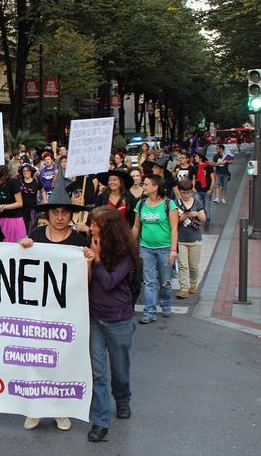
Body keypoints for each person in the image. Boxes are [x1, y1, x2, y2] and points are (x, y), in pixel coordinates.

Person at [19, 180, 94, 431]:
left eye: (64, 213)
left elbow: (86, 282)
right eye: (55, 212)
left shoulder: (78, 241)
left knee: (62, 360)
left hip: (66, 310)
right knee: (37, 358)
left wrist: (89, 262)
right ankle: (36, 409)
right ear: (48, 214)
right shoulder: (37, 236)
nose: (60, 217)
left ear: (71, 215)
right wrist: (24, 247)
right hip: (38, 309)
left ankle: (61, 410)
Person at [86, 206, 139, 442]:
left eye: (95, 224)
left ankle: (123, 398)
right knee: (98, 373)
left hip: (119, 320)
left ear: (108, 227)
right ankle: (100, 421)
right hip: (95, 318)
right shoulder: (91, 248)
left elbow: (109, 282)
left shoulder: (125, 253)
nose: (90, 228)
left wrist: (96, 259)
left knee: (119, 369)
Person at [132, 174, 179, 324]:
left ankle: (165, 303)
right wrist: (128, 243)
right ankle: (149, 311)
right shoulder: (141, 204)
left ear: (155, 187)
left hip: (165, 249)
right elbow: (136, 227)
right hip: (146, 248)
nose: (143, 187)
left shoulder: (169, 204)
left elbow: (174, 228)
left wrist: (173, 250)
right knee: (148, 281)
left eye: (146, 184)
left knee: (165, 280)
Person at [176, 178, 206, 298]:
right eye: (183, 192)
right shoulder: (175, 203)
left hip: (195, 239)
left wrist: (197, 214)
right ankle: (183, 288)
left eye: (188, 192)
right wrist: (182, 218)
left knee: (193, 265)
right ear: (180, 192)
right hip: (181, 239)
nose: (186, 195)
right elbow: (172, 221)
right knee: (183, 265)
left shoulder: (197, 203)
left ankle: (193, 284)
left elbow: (203, 219)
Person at [0, 165, 26, 242]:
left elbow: (19, 203)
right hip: (1, 220)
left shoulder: (12, 182)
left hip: (13, 220)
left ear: (1, 171)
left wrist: (4, 207)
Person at [192, 152, 215, 231]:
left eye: (196, 157)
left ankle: (207, 223)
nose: (195, 158)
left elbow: (213, 179)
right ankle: (197, 222)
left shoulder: (208, 167)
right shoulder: (195, 167)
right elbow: (193, 179)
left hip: (207, 191)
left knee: (206, 209)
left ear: (200, 158)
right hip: (197, 191)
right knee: (198, 208)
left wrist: (211, 189)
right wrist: (193, 188)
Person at [18, 163, 45, 229]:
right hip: (22, 209)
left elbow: (43, 191)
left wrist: (45, 200)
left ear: (31, 171)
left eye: (27, 170)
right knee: (24, 226)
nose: (26, 172)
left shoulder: (36, 181)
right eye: (24, 171)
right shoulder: (19, 182)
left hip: (33, 208)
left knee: (33, 225)